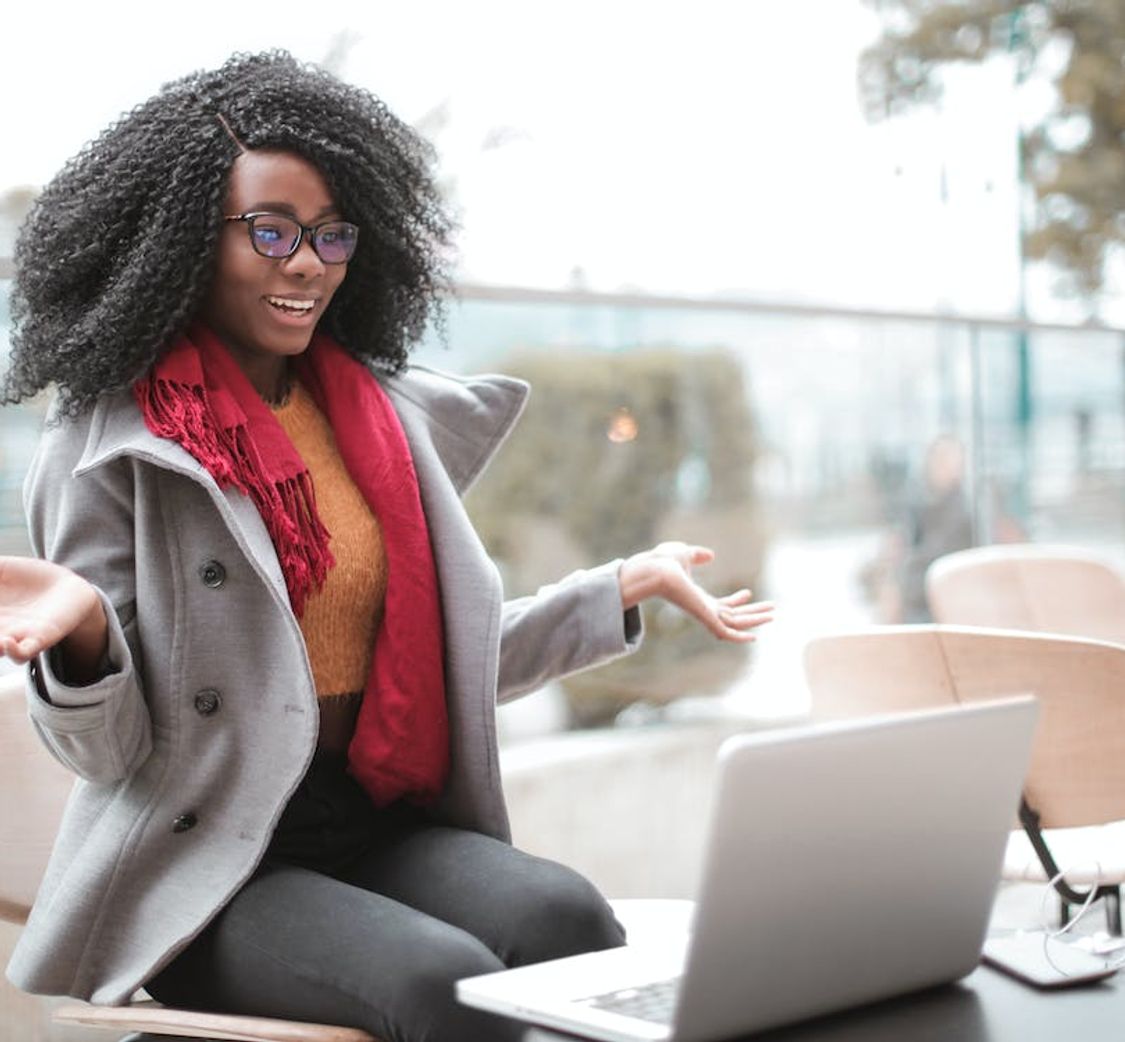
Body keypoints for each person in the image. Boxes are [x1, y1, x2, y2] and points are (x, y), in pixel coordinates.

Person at [0, 52, 773, 1042]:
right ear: (184, 242)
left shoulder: (375, 420)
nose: (307, 262)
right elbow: (113, 752)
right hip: (214, 858)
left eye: (330, 234)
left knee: (568, 919)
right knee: (445, 984)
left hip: (369, 815)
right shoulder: (109, 449)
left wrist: (616, 589)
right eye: (269, 231)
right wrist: (83, 641)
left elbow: (435, 667)